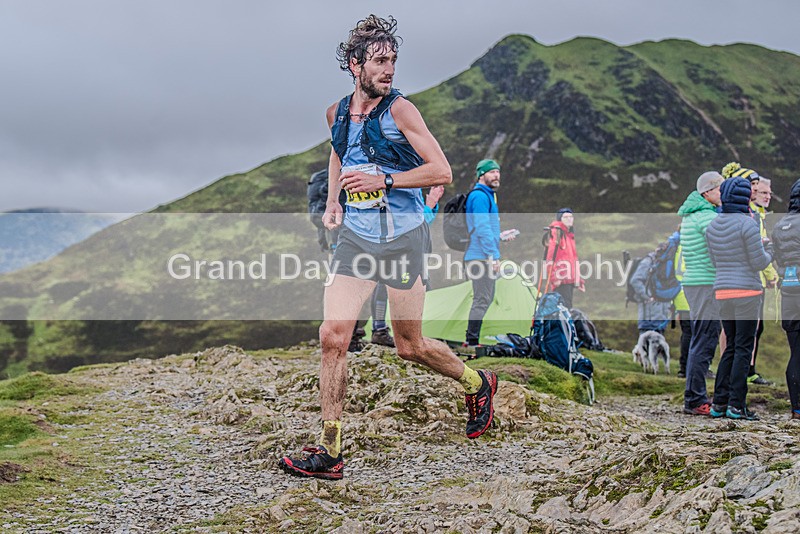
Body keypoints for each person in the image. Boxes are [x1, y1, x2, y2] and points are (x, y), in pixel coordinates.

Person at [279, 15, 498, 480]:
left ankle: (479, 383)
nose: (389, 69)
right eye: (379, 60)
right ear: (355, 64)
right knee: (333, 335)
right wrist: (333, 202)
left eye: (393, 60)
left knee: (409, 345)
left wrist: (386, 180)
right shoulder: (335, 113)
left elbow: (442, 171)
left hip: (403, 239)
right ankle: (330, 449)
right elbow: (338, 152)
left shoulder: (402, 111)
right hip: (357, 238)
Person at [705, 177, 772, 421]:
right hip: (747, 293)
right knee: (744, 348)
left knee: (730, 347)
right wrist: (769, 250)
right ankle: (737, 405)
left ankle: (719, 403)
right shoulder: (748, 224)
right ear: (745, 198)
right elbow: (759, 262)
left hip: (722, 291)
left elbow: (715, 261)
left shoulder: (712, 226)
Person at [678, 171, 724, 415]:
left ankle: (693, 396)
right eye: (719, 189)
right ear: (708, 192)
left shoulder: (692, 215)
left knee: (699, 339)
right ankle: (695, 399)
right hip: (706, 283)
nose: (723, 193)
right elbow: (722, 245)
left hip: (694, 283)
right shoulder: (707, 217)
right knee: (705, 341)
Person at [463, 159, 516, 346]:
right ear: (481, 175)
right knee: (482, 298)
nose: (496, 175)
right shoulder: (479, 196)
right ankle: (471, 341)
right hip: (480, 257)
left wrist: (500, 236)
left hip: (481, 254)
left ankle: (471, 339)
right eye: (492, 172)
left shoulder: (488, 196)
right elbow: (481, 228)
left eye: (498, 172)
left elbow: (484, 229)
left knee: (484, 297)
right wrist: (493, 257)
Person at [771, 178, 800, 421]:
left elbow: (778, 258)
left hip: (788, 292)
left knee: (796, 351)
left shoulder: (779, 225)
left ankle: (796, 409)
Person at [543, 208, 584, 309]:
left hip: (568, 279)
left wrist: (578, 280)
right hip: (561, 280)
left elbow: (573, 259)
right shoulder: (557, 233)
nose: (569, 219)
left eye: (571, 217)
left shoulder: (569, 235)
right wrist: (554, 277)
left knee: (567, 308)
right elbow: (550, 257)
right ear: (560, 219)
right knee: (564, 309)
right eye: (565, 217)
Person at [629, 245, 672, 335]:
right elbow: (635, 280)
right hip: (648, 318)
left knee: (658, 341)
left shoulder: (665, 263)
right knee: (645, 341)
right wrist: (648, 296)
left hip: (661, 318)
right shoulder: (648, 262)